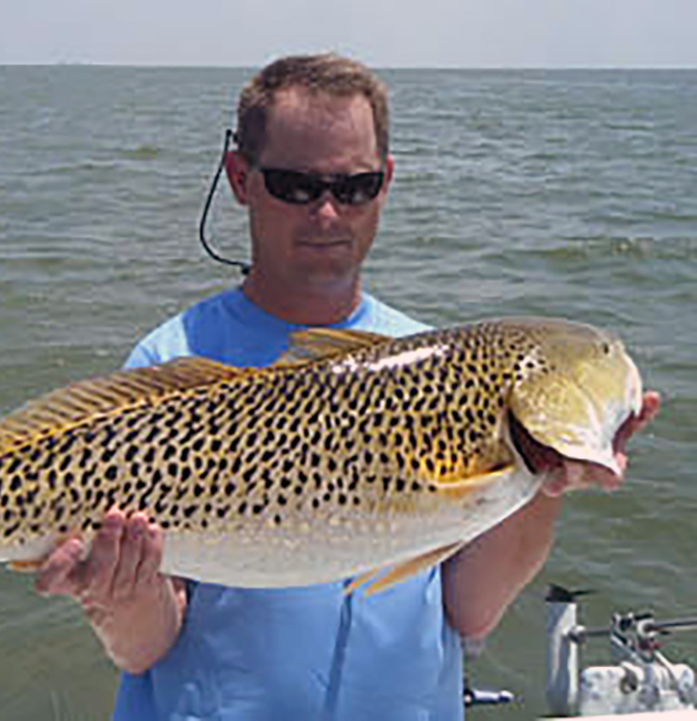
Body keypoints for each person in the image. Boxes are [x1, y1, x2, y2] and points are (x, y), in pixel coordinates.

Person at [35, 53, 660, 720]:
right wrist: (118, 595)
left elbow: (468, 608)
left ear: (386, 183)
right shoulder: (169, 366)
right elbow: (143, 648)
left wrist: (544, 482)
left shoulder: (439, 363)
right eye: (295, 185)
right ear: (241, 179)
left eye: (354, 186)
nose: (328, 213)